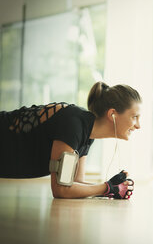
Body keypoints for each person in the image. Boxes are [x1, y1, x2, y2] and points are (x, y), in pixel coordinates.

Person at [0, 81, 141, 199]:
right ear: (112, 114)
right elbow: (61, 189)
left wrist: (111, 188)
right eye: (135, 117)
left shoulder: (87, 133)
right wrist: (107, 188)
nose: (138, 125)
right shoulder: (73, 124)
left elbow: (74, 182)